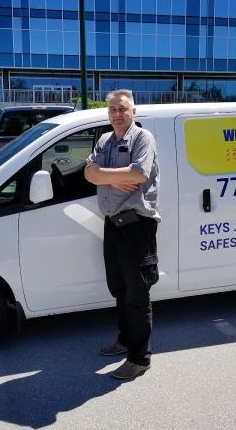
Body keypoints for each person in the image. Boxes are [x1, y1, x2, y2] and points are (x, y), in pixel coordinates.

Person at [84, 89, 160, 380]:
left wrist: (103, 175)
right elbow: (88, 173)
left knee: (137, 293)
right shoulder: (105, 139)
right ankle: (125, 340)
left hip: (136, 225)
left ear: (133, 112)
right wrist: (112, 176)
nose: (117, 113)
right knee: (119, 288)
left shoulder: (143, 138)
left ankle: (140, 358)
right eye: (113, 109)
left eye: (123, 109)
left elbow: (139, 173)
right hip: (112, 223)